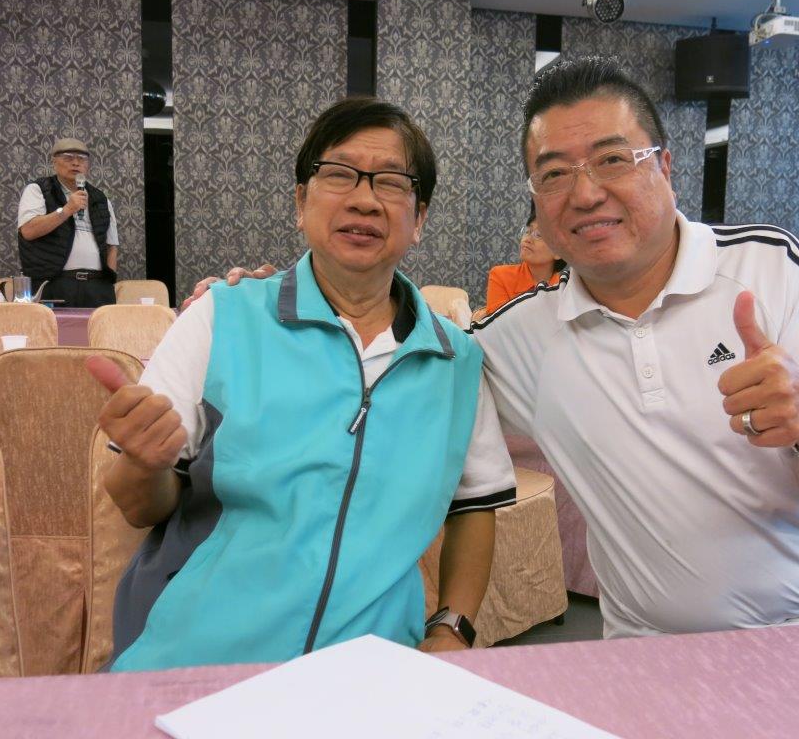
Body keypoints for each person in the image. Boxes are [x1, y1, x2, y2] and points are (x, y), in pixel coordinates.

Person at [189, 57, 799, 639]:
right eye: (554, 174)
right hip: (645, 650)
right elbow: (394, 358)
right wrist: (267, 301)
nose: (585, 194)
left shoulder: (770, 267)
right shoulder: (515, 336)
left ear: (665, 166)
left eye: (612, 159)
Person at [86, 98, 516, 672]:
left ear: (419, 219)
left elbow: (473, 505)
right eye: (339, 174)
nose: (364, 199)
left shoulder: (455, 360)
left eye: (391, 182)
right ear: (300, 202)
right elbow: (140, 506)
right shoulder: (221, 318)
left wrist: (452, 628)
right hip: (197, 657)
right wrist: (144, 463)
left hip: (370, 670)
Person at [17, 138, 119, 307]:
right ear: (54, 162)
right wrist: (67, 209)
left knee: (99, 325)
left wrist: (109, 283)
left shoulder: (101, 198)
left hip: (97, 287)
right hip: (54, 283)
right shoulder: (38, 189)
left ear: (88, 165)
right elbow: (28, 230)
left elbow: (111, 246)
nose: (76, 163)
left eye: (82, 159)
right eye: (68, 158)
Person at [484, 203, 565, 313]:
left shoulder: (565, 289)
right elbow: (498, 322)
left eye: (538, 235)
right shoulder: (501, 276)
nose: (527, 239)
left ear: (558, 252)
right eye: (527, 231)